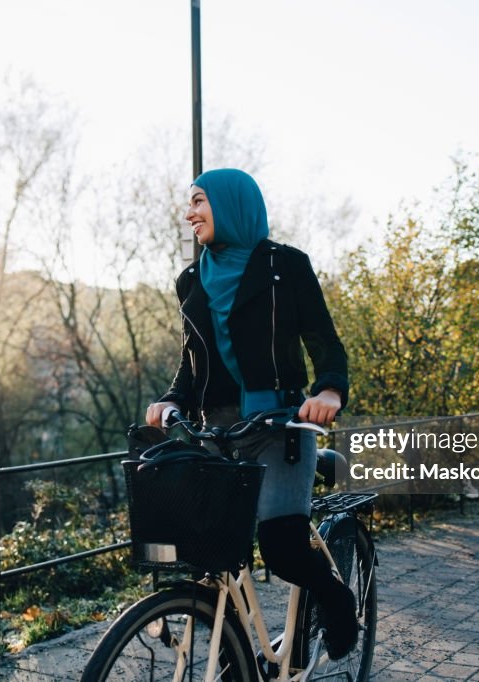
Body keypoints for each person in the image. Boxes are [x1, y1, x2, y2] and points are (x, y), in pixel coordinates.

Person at [145, 169, 358, 660]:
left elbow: (326, 345)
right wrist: (172, 399)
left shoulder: (287, 267)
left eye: (199, 201)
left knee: (281, 548)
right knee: (211, 555)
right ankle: (235, 659)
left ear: (232, 205)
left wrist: (328, 392)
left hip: (280, 425)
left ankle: (335, 599)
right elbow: (191, 362)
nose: (189, 213)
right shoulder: (192, 279)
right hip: (216, 433)